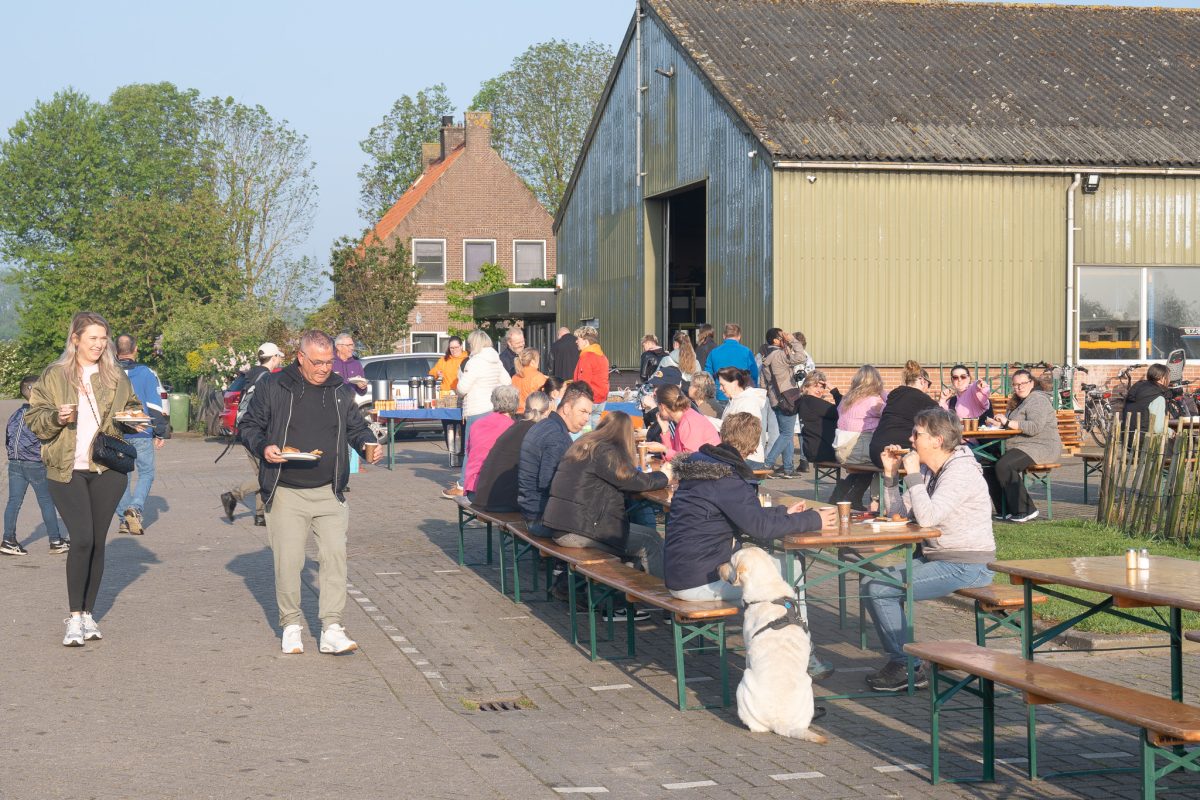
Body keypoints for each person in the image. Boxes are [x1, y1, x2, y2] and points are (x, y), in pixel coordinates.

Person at [239, 330, 382, 655]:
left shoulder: (340, 390)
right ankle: (291, 625)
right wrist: (264, 447)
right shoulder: (274, 386)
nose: (324, 368)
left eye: (329, 362)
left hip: (330, 490)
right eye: (317, 362)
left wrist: (368, 445)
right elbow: (248, 426)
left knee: (335, 558)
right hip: (286, 490)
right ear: (300, 358)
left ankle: (332, 628)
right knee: (289, 562)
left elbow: (357, 428)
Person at [664, 412, 837, 677]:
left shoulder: (703, 468)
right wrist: (814, 519)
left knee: (774, 567)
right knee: (791, 568)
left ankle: (787, 640)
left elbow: (746, 516)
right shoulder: (727, 478)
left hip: (681, 572)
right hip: (700, 581)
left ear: (723, 435)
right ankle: (803, 653)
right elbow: (759, 527)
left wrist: (784, 513)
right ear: (754, 446)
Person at [26, 312, 146, 646]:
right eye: (92, 338)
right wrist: (56, 417)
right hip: (66, 469)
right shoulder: (54, 375)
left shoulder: (115, 374)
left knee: (96, 542)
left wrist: (133, 418)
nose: (99, 344)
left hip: (108, 469)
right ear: (75, 339)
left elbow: (131, 407)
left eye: (103, 338)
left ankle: (89, 614)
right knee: (81, 539)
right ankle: (74, 617)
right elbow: (35, 419)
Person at [863, 408, 996, 691]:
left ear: (937, 440)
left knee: (879, 588)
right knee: (870, 581)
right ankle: (905, 661)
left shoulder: (961, 472)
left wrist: (912, 474)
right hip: (937, 557)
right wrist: (891, 475)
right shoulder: (928, 470)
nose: (911, 439)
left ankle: (907, 667)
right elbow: (900, 515)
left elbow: (927, 518)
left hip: (967, 563)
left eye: (917, 433)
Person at [543, 411, 671, 581]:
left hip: (562, 525)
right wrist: (664, 476)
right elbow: (633, 480)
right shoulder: (606, 452)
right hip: (580, 530)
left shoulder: (584, 444)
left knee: (635, 542)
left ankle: (624, 591)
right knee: (651, 540)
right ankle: (659, 594)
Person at [983, 369, 1061, 523]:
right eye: (1016, 384)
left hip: (1041, 446)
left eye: (1023, 383)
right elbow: (1013, 425)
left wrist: (1007, 422)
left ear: (1032, 383)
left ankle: (1026, 510)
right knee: (987, 462)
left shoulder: (1037, 399)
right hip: (1020, 445)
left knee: (1005, 465)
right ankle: (1005, 509)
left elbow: (1034, 427)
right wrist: (999, 424)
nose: (1019, 387)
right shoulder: (1017, 401)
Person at [517, 382, 595, 537]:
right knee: (611, 532)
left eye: (589, 413)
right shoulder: (557, 437)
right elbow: (551, 483)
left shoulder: (544, 425)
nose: (586, 418)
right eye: (583, 411)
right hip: (541, 519)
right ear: (566, 408)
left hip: (530, 510)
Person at [3, 375, 68, 556]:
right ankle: (55, 541)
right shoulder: (39, 415)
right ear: (36, 392)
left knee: (13, 502)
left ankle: (8, 540)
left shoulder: (15, 414)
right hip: (35, 463)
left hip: (14, 462)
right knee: (46, 501)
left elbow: (8, 439)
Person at [221, 342, 284, 526]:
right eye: (279, 356)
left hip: (246, 430)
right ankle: (233, 495)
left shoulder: (250, 375)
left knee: (261, 472)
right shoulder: (267, 378)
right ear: (274, 358)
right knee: (269, 474)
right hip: (259, 432)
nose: (280, 360)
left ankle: (260, 515)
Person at [113, 334, 169, 536]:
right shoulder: (146, 372)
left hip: (117, 432)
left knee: (123, 476)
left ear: (115, 351)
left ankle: (123, 520)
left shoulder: (108, 373)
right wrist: (160, 432)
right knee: (146, 473)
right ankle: (135, 508)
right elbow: (155, 405)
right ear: (135, 349)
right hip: (142, 430)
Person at [473, 392, 552, 512]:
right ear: (546, 412)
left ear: (525, 408)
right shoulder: (536, 432)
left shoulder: (517, 426)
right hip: (500, 502)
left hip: (483, 496)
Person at [456, 329, 512, 488]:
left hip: (476, 409)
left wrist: (460, 381)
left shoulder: (474, 362)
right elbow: (507, 381)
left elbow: (462, 388)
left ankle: (464, 484)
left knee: (471, 449)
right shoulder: (496, 360)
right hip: (492, 409)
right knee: (489, 448)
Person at [830, 365, 886, 509]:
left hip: (842, 451)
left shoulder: (846, 400)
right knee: (881, 463)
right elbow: (892, 410)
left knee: (865, 466)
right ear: (876, 382)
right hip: (857, 450)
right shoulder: (873, 401)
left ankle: (842, 493)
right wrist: (883, 393)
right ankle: (875, 502)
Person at [869, 360, 938, 469]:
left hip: (876, 453)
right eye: (928, 384)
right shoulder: (922, 398)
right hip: (898, 454)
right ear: (921, 380)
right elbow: (946, 419)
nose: (928, 389)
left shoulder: (894, 396)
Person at [760, 328, 809, 478]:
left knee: (785, 433)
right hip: (789, 399)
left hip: (775, 400)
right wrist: (792, 340)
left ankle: (788, 468)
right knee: (787, 434)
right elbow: (802, 357)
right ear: (775, 340)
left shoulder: (765, 358)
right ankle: (768, 464)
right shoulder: (780, 355)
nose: (785, 338)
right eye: (782, 336)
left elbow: (763, 383)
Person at [462, 386, 518, 499]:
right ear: (516, 403)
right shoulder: (513, 428)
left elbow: (469, 452)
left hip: (472, 486)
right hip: (497, 489)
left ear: (493, 401)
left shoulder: (477, 424)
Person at [643, 384, 720, 461]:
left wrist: (664, 449)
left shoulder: (689, 422)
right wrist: (665, 430)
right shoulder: (683, 418)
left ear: (662, 407)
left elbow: (691, 461)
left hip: (708, 467)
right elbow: (674, 454)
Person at [717, 367, 769, 466]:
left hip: (749, 458)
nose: (720, 388)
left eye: (723, 385)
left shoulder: (748, 402)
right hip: (738, 455)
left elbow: (739, 430)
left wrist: (706, 420)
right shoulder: (733, 401)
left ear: (735, 383)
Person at [795, 371, 840, 465]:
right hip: (823, 451)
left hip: (812, 451)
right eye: (815, 386)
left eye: (822, 387)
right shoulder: (812, 402)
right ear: (806, 387)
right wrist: (834, 391)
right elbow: (843, 411)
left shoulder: (803, 401)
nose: (819, 390)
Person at [704, 323, 758, 401]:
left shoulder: (714, 352)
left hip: (721, 395)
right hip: (742, 395)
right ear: (739, 336)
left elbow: (707, 375)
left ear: (724, 336)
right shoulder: (746, 352)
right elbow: (754, 374)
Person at [1121, 363, 1172, 434]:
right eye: (1168, 377)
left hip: (1127, 437)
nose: (1169, 380)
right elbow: (1158, 429)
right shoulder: (1158, 396)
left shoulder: (1137, 388)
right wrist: (1171, 432)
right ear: (1161, 378)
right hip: (1145, 438)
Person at [572, 326, 609, 422]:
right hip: (601, 398)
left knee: (584, 428)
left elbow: (583, 383)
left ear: (585, 342)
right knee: (595, 427)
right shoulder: (602, 356)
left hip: (589, 399)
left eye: (578, 339)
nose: (576, 341)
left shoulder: (586, 357)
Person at [511, 348, 548, 413]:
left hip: (516, 412)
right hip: (532, 413)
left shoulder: (514, 377)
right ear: (533, 362)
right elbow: (544, 398)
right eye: (538, 359)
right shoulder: (538, 376)